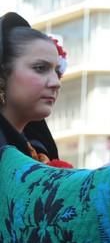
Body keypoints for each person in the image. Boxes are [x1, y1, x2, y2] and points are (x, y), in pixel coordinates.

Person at [0, 11, 69, 166]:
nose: (56, 83)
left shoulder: (38, 152)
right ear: (3, 73)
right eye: (40, 68)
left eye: (57, 71)